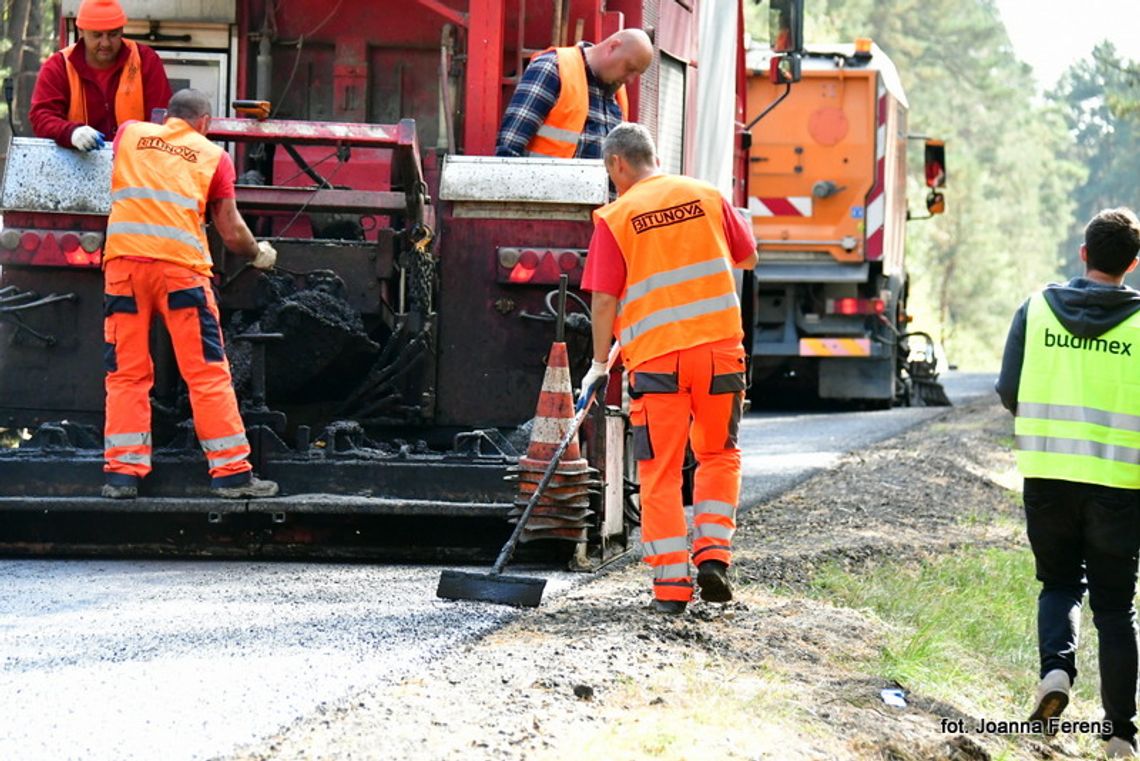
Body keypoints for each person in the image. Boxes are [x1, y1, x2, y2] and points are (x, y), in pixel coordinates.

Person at [578, 123, 758, 615]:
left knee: (659, 471)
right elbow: (748, 256)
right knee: (719, 455)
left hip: (658, 362)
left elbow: (602, 300)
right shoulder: (708, 195)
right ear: (652, 156)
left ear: (617, 164)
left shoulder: (617, 217)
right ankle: (714, 558)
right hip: (721, 354)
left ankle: (671, 589)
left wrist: (598, 364)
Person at [996, 207, 1140, 758]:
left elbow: (1010, 390)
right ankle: (1121, 733)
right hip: (1120, 485)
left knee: (1059, 585)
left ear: (1084, 253)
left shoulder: (1035, 310)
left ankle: (1056, 674)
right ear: (1132, 263)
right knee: (1115, 607)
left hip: (1049, 475)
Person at [101, 89, 278, 500]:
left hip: (125, 268)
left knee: (126, 373)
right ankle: (232, 475)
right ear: (205, 123)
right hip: (181, 274)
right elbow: (231, 231)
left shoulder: (129, 133)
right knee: (205, 373)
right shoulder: (213, 155)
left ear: (166, 116)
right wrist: (258, 254)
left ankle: (123, 475)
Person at [30, 0, 172, 151]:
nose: (105, 43)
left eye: (113, 34)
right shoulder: (58, 66)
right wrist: (71, 132)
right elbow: (41, 117)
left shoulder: (145, 60)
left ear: (122, 30)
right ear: (81, 31)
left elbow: (162, 118)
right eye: (97, 35)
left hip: (136, 165)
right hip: (76, 164)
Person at [495, 28, 653, 159]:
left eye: (637, 73)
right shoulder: (553, 68)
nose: (631, 80)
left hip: (598, 196)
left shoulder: (617, 91)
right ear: (612, 47)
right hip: (545, 194)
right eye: (630, 68)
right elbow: (509, 148)